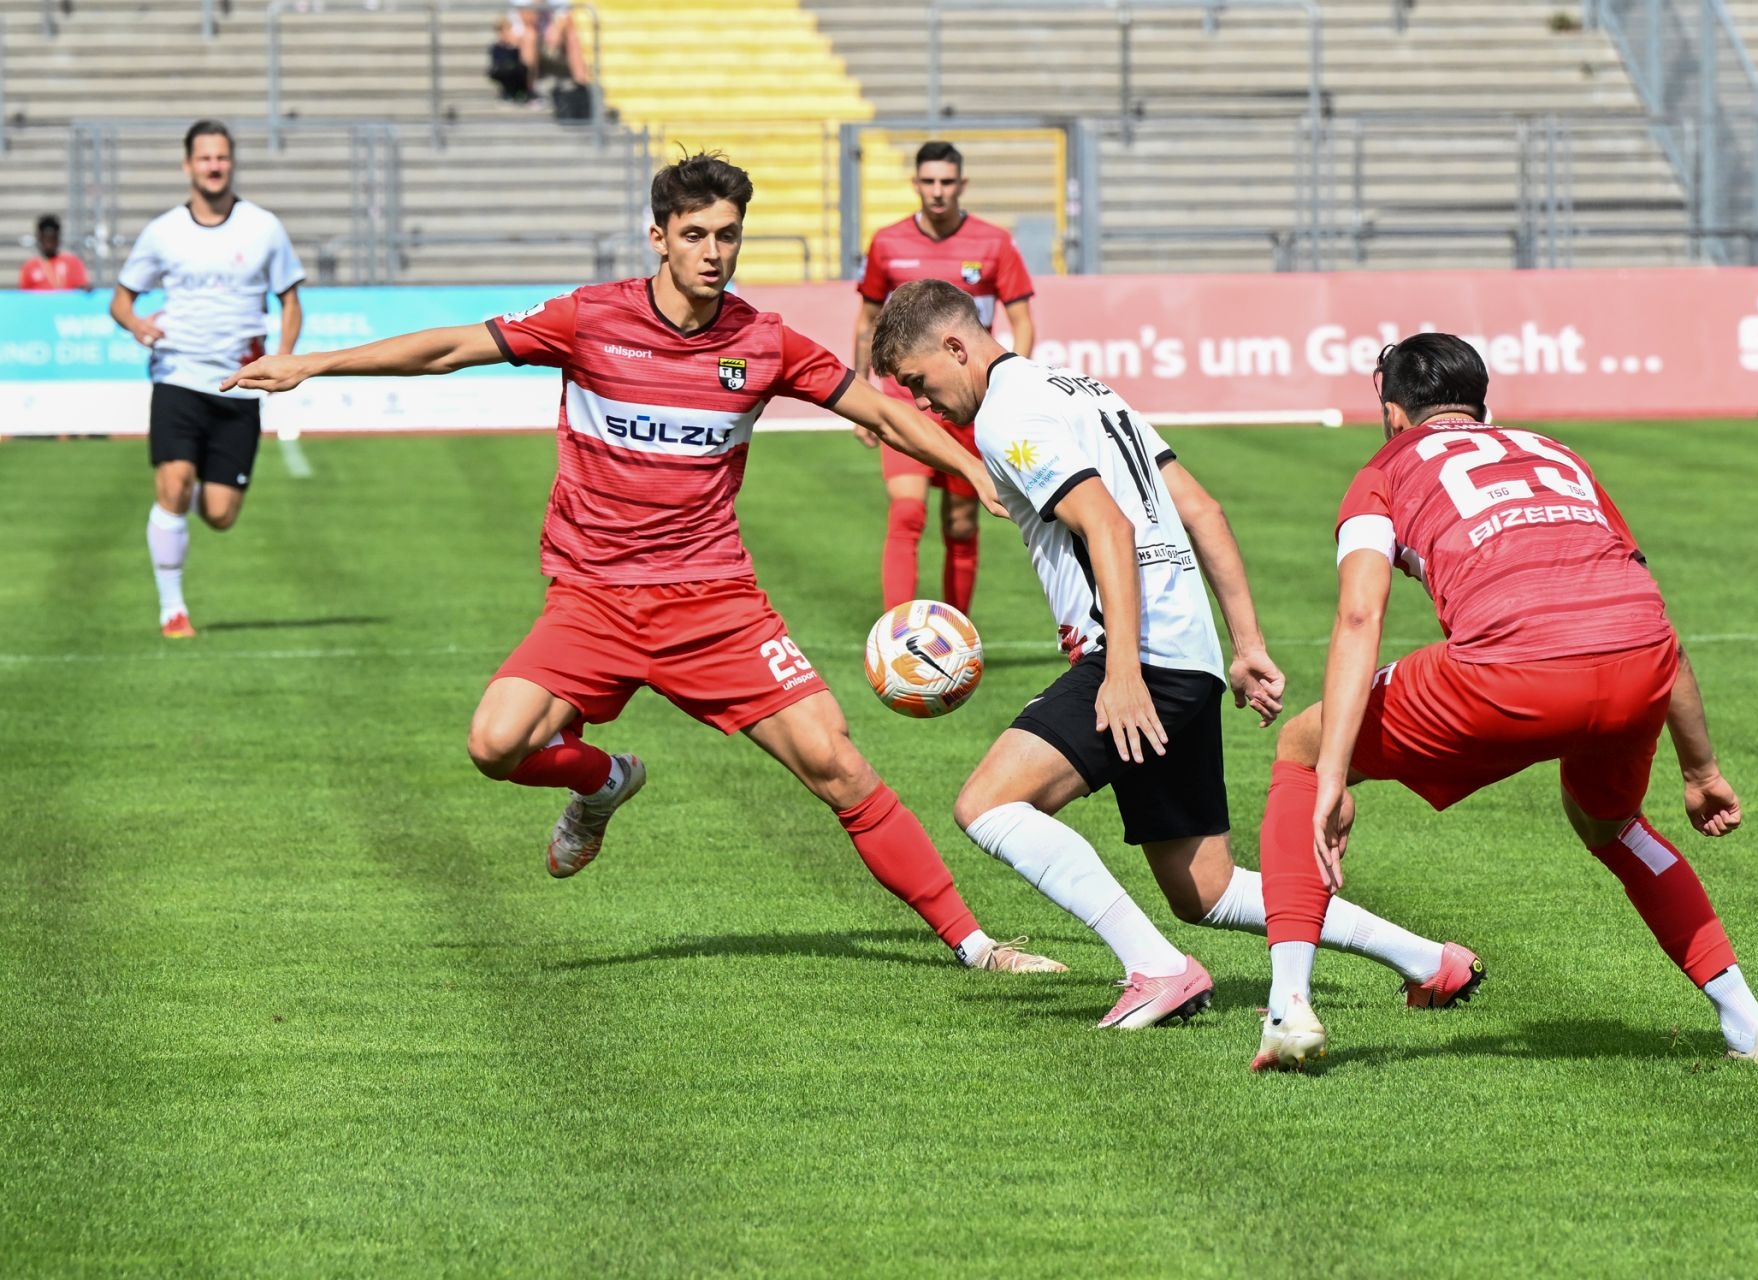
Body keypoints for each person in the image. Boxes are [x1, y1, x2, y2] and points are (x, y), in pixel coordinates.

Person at [223, 153, 1060, 976]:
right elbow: (450, 350)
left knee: (837, 764)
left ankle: (976, 945)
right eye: (694, 233)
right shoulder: (590, 320)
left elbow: (876, 406)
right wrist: (312, 364)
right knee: (493, 743)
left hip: (715, 605)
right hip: (592, 601)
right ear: (657, 237)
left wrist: (970, 467)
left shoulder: (762, 343)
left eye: (728, 236)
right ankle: (605, 779)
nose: (713, 252)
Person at [870, 280, 1483, 1028]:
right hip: (1183, 657)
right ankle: (1431, 961)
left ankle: (1156, 969)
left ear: (956, 346)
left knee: (989, 804)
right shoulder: (1083, 388)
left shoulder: (1006, 413)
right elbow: (1200, 508)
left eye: (918, 382)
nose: (923, 403)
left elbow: (1108, 527)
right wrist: (1246, 644)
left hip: (1138, 657)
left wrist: (1121, 671)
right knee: (1207, 889)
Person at [1250, 332, 1758, 1071]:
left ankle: (1288, 1008)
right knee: (1609, 822)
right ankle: (1752, 1025)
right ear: (1483, 408)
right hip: (1637, 665)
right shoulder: (1558, 455)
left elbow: (1358, 617)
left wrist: (1336, 775)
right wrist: (1700, 771)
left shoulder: (1382, 470)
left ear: (1392, 414)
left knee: (1302, 751)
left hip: (1508, 675)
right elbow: (1643, 605)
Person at [111, 120, 304, 639]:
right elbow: (121, 300)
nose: (214, 166)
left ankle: (192, 493)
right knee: (173, 484)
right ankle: (172, 609)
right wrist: (137, 324)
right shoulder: (163, 231)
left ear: (231, 163)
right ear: (187, 165)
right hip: (176, 375)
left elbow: (290, 300)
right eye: (204, 158)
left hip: (238, 384)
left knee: (220, 514)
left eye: (221, 157)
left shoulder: (263, 226)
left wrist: (284, 359)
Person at [853, 141, 1036, 616]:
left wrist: (1011, 389)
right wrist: (863, 394)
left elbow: (1023, 323)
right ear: (916, 184)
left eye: (946, 182)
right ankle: (897, 635)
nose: (937, 191)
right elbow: (866, 320)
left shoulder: (993, 243)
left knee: (960, 522)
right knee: (907, 512)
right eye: (928, 182)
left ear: (962, 184)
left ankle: (955, 636)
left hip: (968, 405)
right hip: (902, 401)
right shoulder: (888, 242)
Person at [19, 215, 91, 291]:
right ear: (39, 239)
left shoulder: (72, 262)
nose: (49, 243)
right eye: (45, 238)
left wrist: (84, 289)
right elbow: (25, 296)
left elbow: (81, 287)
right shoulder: (30, 266)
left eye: (52, 238)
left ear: (58, 238)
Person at [487, 16, 532, 103]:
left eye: (507, 30)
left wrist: (514, 46)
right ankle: (507, 92)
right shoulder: (496, 47)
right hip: (503, 71)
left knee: (519, 70)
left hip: (516, 72)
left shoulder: (516, 47)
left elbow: (523, 62)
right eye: (501, 31)